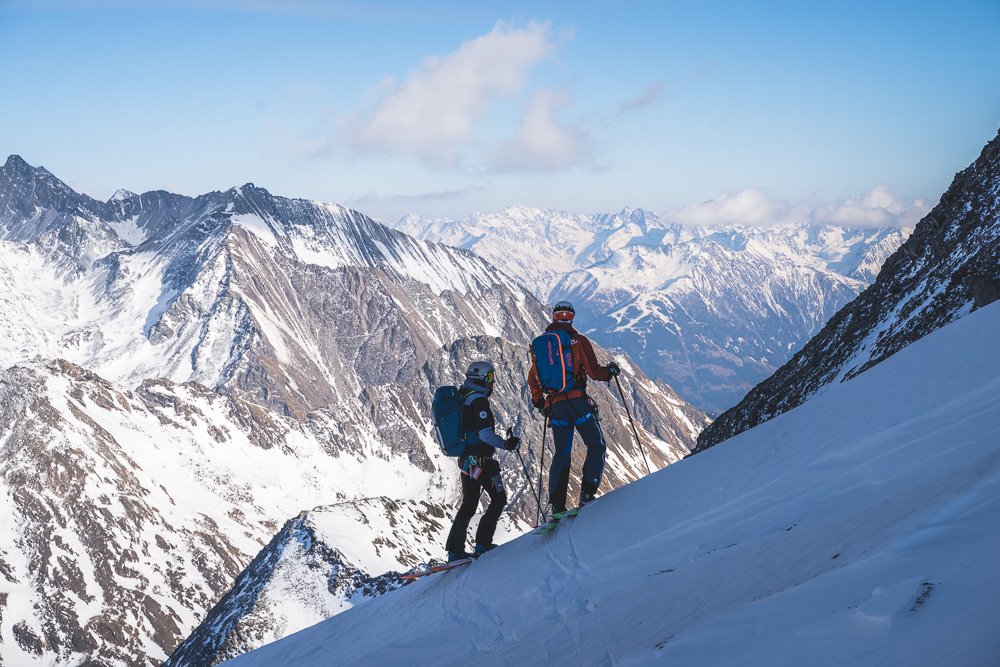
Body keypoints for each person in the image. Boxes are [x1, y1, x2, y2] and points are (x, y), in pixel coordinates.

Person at [528, 301, 621, 515]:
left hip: (556, 407)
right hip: (578, 404)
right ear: (572, 318)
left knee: (562, 453)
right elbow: (594, 372)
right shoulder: (579, 341)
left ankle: (556, 505)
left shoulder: (541, 345)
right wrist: (611, 372)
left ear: (553, 318)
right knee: (596, 445)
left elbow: (533, 379)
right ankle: (587, 494)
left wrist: (541, 404)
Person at [444, 360, 521, 562]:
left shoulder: (464, 397)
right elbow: (485, 435)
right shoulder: (479, 402)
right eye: (489, 377)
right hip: (481, 461)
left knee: (469, 503)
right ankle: (482, 544)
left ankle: (455, 551)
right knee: (499, 498)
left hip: (466, 461)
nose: (492, 382)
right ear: (479, 379)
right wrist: (506, 444)